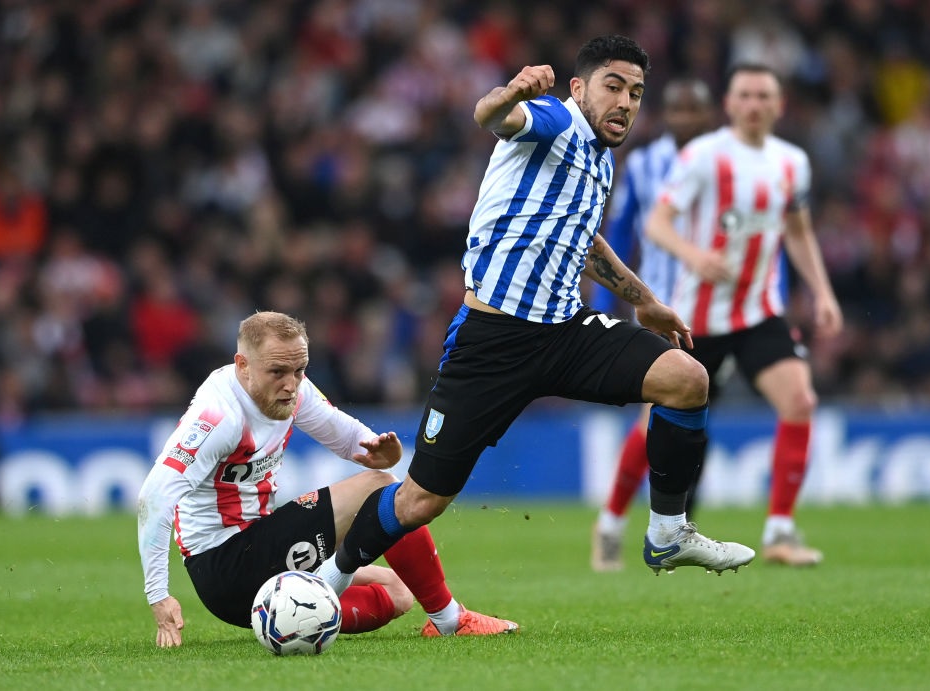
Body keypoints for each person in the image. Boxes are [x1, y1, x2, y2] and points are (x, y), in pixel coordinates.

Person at [314, 35, 755, 599]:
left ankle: (668, 532)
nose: (625, 102)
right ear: (579, 88)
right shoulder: (556, 120)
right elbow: (491, 116)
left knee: (687, 380)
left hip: (563, 332)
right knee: (421, 500)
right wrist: (508, 94)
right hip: (492, 341)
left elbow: (582, 238)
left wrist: (641, 298)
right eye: (613, 86)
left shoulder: (599, 158)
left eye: (637, 92)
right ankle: (329, 579)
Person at [137, 311, 517, 648]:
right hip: (226, 562)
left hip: (258, 555)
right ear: (243, 365)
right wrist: (158, 595)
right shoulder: (219, 417)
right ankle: (451, 621)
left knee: (399, 592)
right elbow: (154, 496)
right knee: (380, 487)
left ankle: (283, 616)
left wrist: (378, 449)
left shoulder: (290, 389)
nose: (291, 383)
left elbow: (347, 437)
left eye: (299, 370)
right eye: (278, 372)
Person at [641, 63, 843, 566]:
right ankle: (612, 521)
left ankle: (779, 532)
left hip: (758, 313)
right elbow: (657, 223)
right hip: (698, 316)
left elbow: (797, 232)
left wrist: (822, 292)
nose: (754, 104)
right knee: (659, 417)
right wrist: (696, 257)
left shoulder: (792, 162)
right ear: (729, 104)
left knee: (800, 399)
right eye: (745, 95)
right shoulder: (703, 156)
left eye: (764, 95)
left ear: (778, 105)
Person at [589, 78, 717, 572]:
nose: (685, 119)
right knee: (657, 414)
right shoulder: (643, 164)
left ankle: (662, 522)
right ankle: (615, 523)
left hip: (716, 313)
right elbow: (615, 234)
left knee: (690, 421)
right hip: (662, 307)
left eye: (694, 110)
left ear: (708, 117)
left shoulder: (725, 163)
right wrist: (605, 304)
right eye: (677, 109)